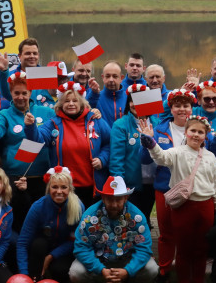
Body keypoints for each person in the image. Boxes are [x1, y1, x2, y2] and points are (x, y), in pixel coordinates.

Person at [139, 114, 216, 283]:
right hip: (183, 207)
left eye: (200, 132)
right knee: (185, 248)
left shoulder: (210, 156)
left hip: (205, 206)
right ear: (186, 132)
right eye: (193, 131)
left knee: (201, 248)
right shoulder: (177, 152)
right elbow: (161, 158)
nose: (196, 135)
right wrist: (151, 143)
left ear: (206, 136)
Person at [0, 71, 53, 227]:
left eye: (24, 93)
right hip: (15, 178)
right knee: (19, 222)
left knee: (42, 223)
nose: (21, 97)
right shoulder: (5, 114)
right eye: (16, 93)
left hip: (42, 178)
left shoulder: (46, 112)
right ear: (10, 93)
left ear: (30, 92)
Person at [69, 176, 159, 283]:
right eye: (110, 199)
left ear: (126, 198)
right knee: (75, 272)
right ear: (103, 198)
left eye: (118, 200)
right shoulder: (89, 217)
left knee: (152, 268)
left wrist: (128, 271)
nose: (114, 204)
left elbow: (144, 249)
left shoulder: (137, 217)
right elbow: (81, 248)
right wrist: (100, 269)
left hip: (126, 258)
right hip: (99, 259)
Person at [37, 82, 112, 210]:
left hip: (92, 186)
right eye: (66, 101)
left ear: (82, 103)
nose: (71, 104)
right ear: (61, 104)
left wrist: (102, 159)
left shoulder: (95, 120)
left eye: (75, 101)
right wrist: (29, 127)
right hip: (65, 188)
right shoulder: (53, 124)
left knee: (91, 224)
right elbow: (38, 140)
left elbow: (109, 143)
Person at [16, 166, 83, 283]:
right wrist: (24, 274)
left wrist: (52, 256)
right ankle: (33, 281)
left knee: (59, 270)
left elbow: (76, 240)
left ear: (70, 189)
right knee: (38, 244)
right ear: (48, 188)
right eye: (54, 187)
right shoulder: (38, 207)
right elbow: (22, 243)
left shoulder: (78, 207)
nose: (59, 191)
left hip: (64, 250)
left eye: (64, 187)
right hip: (41, 248)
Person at [109, 84, 158, 217]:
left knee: (146, 215)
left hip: (155, 182)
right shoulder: (120, 125)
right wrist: (119, 185)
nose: (136, 104)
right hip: (132, 184)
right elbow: (116, 159)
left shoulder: (157, 123)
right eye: (132, 100)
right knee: (134, 218)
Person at [0, 39, 53, 106]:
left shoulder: (47, 75)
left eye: (35, 53)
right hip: (21, 114)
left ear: (38, 55)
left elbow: (58, 96)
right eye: (28, 53)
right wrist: (4, 70)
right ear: (19, 56)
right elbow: (7, 94)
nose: (32, 56)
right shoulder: (11, 75)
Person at [96, 60, 127, 127]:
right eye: (107, 76)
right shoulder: (96, 99)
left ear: (121, 78)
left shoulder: (129, 99)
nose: (111, 80)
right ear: (103, 77)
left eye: (115, 76)